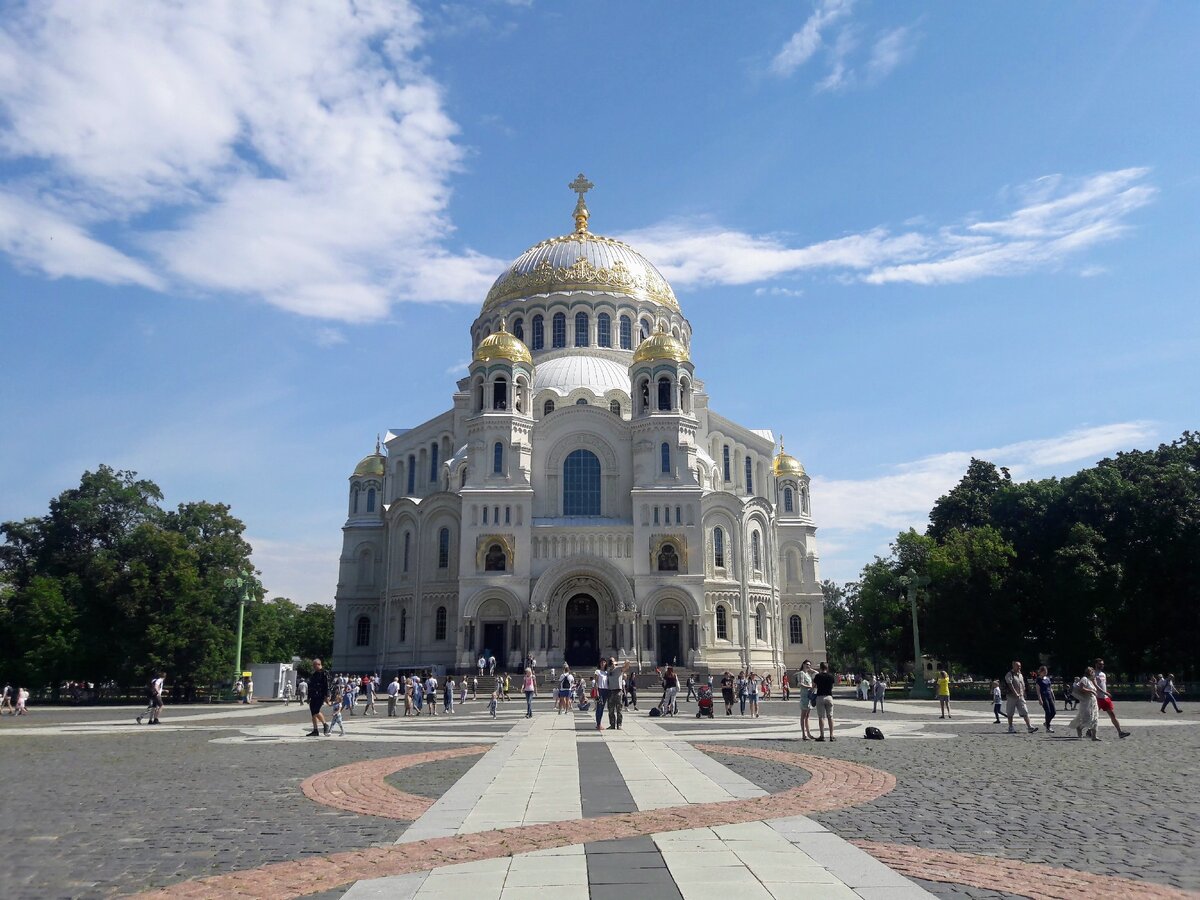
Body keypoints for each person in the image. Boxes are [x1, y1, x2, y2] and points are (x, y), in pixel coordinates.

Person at [1093, 659, 1130, 738]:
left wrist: (1105, 693)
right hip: (1097, 698)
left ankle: (1120, 732)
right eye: (1099, 664)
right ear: (1096, 664)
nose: (1101, 665)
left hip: (1105, 698)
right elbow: (1096, 686)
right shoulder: (1093, 674)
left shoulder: (1103, 674)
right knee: (1094, 716)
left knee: (1112, 715)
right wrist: (1105, 692)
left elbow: (1103, 685)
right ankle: (1088, 730)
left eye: (1102, 664)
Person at [1003, 661, 1039, 734]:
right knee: (1010, 712)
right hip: (1011, 696)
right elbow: (1010, 684)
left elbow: (1022, 684)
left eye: (1020, 666)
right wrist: (1015, 692)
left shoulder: (1020, 674)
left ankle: (1029, 727)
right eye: (1017, 666)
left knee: (1025, 711)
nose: (1019, 667)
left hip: (1020, 696)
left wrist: (1024, 692)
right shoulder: (1009, 674)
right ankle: (1010, 727)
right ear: (1013, 666)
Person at [1068, 668, 1101, 740]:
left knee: (1095, 718)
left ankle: (1094, 736)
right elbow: (1081, 688)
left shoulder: (1091, 680)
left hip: (1093, 701)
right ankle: (1079, 727)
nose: (1094, 673)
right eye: (1092, 672)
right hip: (1086, 702)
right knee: (1087, 718)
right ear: (1089, 672)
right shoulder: (1084, 679)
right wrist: (1091, 691)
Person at [306, 659, 331, 737]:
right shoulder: (314, 674)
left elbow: (327, 685)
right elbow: (311, 686)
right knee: (313, 713)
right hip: (313, 695)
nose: (313, 667)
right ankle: (315, 730)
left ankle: (325, 724)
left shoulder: (324, 673)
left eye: (314, 665)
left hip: (320, 695)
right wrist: (308, 697)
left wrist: (327, 696)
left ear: (319, 664)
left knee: (316, 711)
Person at [813, 662, 835, 741]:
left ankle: (822, 735)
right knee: (830, 717)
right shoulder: (831, 676)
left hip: (820, 697)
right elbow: (832, 687)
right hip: (829, 697)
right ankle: (831, 735)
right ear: (827, 668)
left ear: (821, 668)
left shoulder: (818, 676)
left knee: (821, 717)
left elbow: (814, 686)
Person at [797, 661, 815, 740]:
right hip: (804, 696)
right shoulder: (801, 673)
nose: (808, 666)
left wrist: (812, 670)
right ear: (803, 664)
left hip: (809, 696)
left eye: (809, 665)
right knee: (803, 715)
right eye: (807, 664)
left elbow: (817, 673)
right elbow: (800, 684)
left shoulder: (808, 674)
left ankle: (808, 733)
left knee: (807, 716)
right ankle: (803, 734)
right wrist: (809, 686)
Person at [1036, 666, 1057, 733]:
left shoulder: (1047, 679)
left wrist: (1053, 695)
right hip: (1043, 696)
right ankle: (1048, 727)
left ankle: (1046, 722)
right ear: (1041, 672)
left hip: (1049, 695)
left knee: (1053, 712)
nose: (1045, 673)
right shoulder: (1038, 680)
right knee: (1048, 712)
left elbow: (1050, 688)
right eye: (1044, 672)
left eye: (1046, 672)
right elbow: (1038, 690)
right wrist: (1040, 699)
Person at [593, 658, 610, 730]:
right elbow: (596, 681)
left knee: (602, 708)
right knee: (599, 708)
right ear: (599, 664)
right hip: (600, 690)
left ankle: (599, 723)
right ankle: (598, 724)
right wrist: (596, 690)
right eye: (601, 662)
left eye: (604, 662)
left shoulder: (606, 672)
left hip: (606, 691)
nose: (603, 664)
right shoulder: (597, 671)